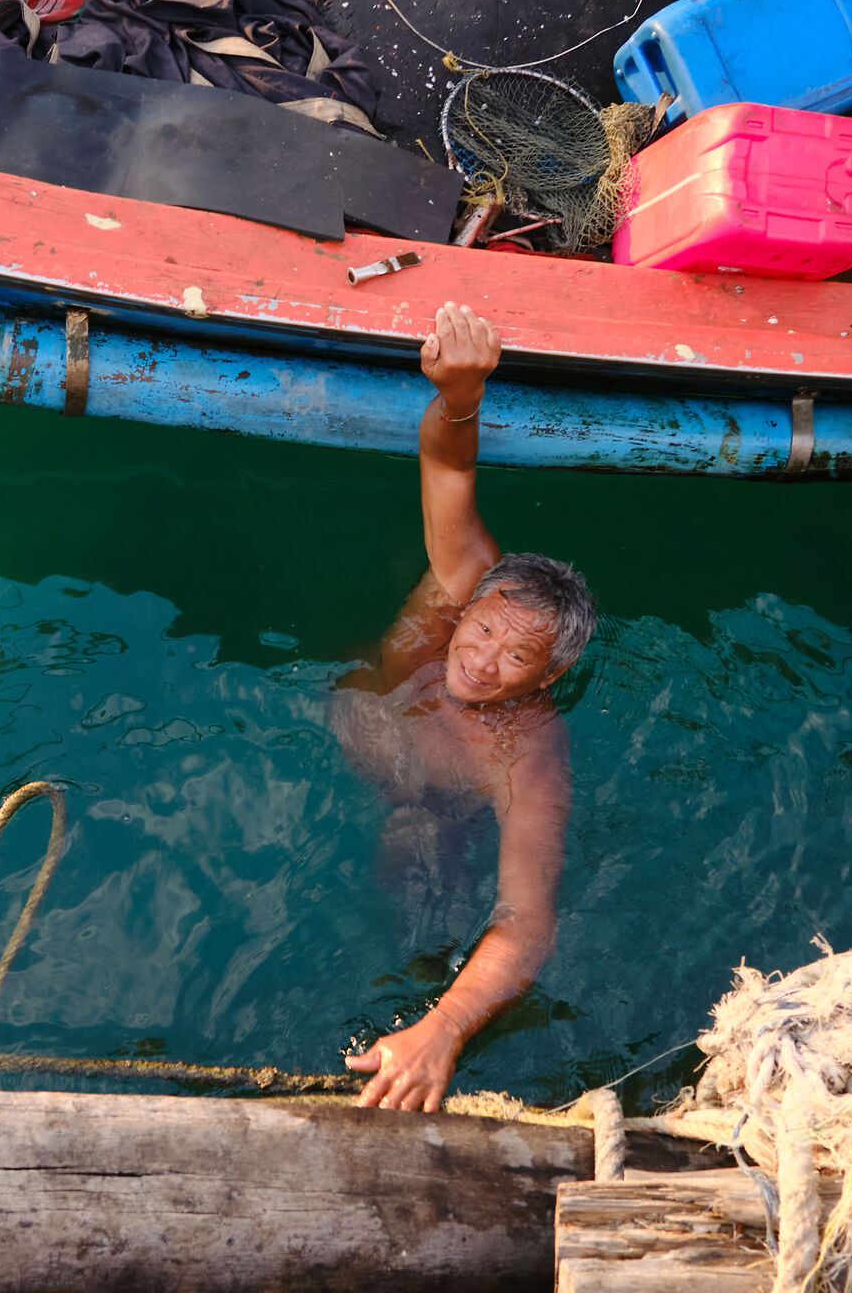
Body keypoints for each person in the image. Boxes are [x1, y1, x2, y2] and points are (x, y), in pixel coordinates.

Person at [334, 301, 591, 1112]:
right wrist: (460, 394)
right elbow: (448, 472)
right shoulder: (463, 579)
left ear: (545, 678)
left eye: (516, 657)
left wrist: (443, 1028)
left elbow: (528, 919)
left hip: (424, 802)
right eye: (481, 632)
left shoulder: (528, 757)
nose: (478, 662)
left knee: (407, 855)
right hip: (354, 723)